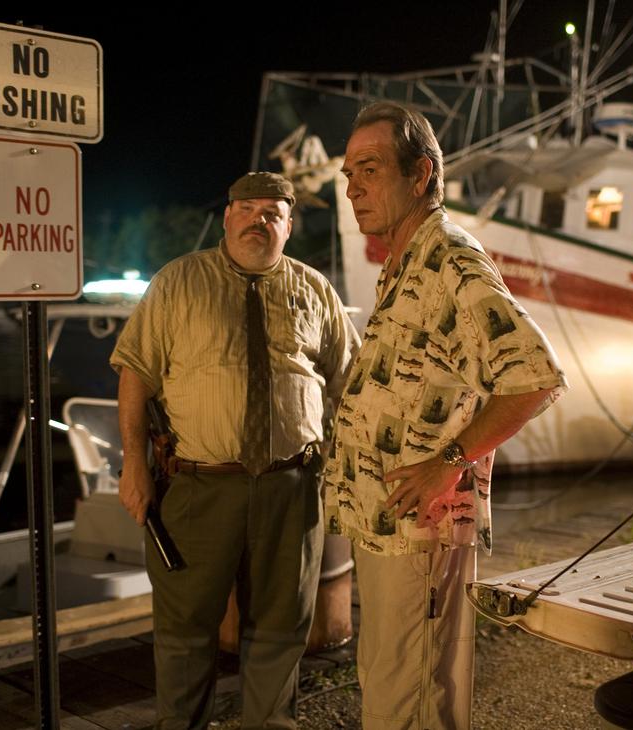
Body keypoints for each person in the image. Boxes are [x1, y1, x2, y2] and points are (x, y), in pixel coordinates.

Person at [324, 101, 568, 729]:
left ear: (421, 173)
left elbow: (533, 377)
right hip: (386, 526)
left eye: (370, 169)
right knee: (390, 683)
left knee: (411, 696)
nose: (353, 189)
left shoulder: (453, 260)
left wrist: (448, 463)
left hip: (420, 535)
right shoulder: (406, 259)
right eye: (349, 174)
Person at [112, 171, 360, 729]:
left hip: (292, 489)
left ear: (289, 226)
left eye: (272, 213)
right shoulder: (178, 282)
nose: (258, 221)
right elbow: (135, 373)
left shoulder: (315, 290)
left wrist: (350, 470)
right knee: (185, 633)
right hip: (198, 487)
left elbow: (351, 384)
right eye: (247, 210)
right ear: (227, 217)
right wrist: (133, 464)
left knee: (281, 629)